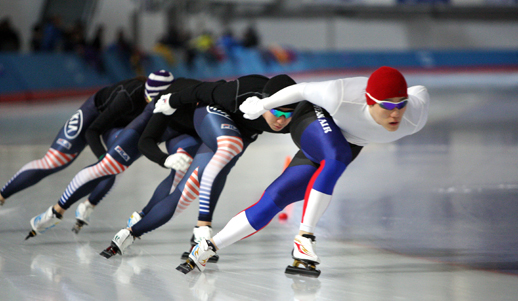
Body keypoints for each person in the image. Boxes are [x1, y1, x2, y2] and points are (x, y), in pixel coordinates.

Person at [177, 66, 430, 277]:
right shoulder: (340, 94)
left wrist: (404, 97)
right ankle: (305, 239)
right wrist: (262, 105)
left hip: (346, 143)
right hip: (312, 118)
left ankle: (207, 248)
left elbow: (420, 91)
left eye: (401, 104)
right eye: (387, 105)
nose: (395, 113)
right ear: (369, 100)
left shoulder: (415, 115)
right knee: (336, 155)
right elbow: (302, 89)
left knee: (279, 195)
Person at [100, 74, 300, 259]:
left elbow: (200, 90)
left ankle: (136, 231)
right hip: (200, 124)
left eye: (287, 114)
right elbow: (146, 140)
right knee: (194, 167)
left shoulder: (286, 115)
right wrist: (164, 156)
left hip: (224, 126)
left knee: (196, 184)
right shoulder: (161, 103)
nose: (282, 119)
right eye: (276, 112)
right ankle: (195, 223)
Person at [22, 71, 176, 239]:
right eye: (148, 98)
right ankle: (56, 210)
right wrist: (103, 157)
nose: (148, 102)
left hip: (129, 128)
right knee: (106, 166)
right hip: (110, 124)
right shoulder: (130, 96)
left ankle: (88, 205)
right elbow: (93, 130)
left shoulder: (171, 103)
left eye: (152, 100)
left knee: (115, 169)